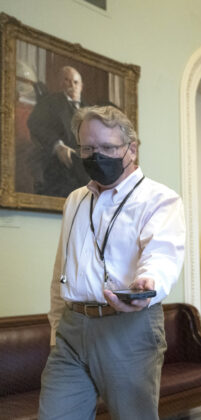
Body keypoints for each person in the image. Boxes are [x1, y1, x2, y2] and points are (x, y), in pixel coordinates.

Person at [38, 106, 186, 420]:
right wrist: (56, 328)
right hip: (72, 329)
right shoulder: (76, 200)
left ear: (131, 149)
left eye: (107, 148)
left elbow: (162, 255)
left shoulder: (160, 199)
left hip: (128, 329)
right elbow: (61, 269)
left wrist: (149, 283)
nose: (96, 156)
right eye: (88, 149)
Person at [27, 65, 90, 197]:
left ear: (82, 86)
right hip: (59, 162)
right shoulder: (49, 102)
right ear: (61, 82)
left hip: (86, 165)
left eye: (76, 82)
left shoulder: (91, 110)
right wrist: (57, 145)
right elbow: (35, 123)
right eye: (67, 80)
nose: (72, 85)